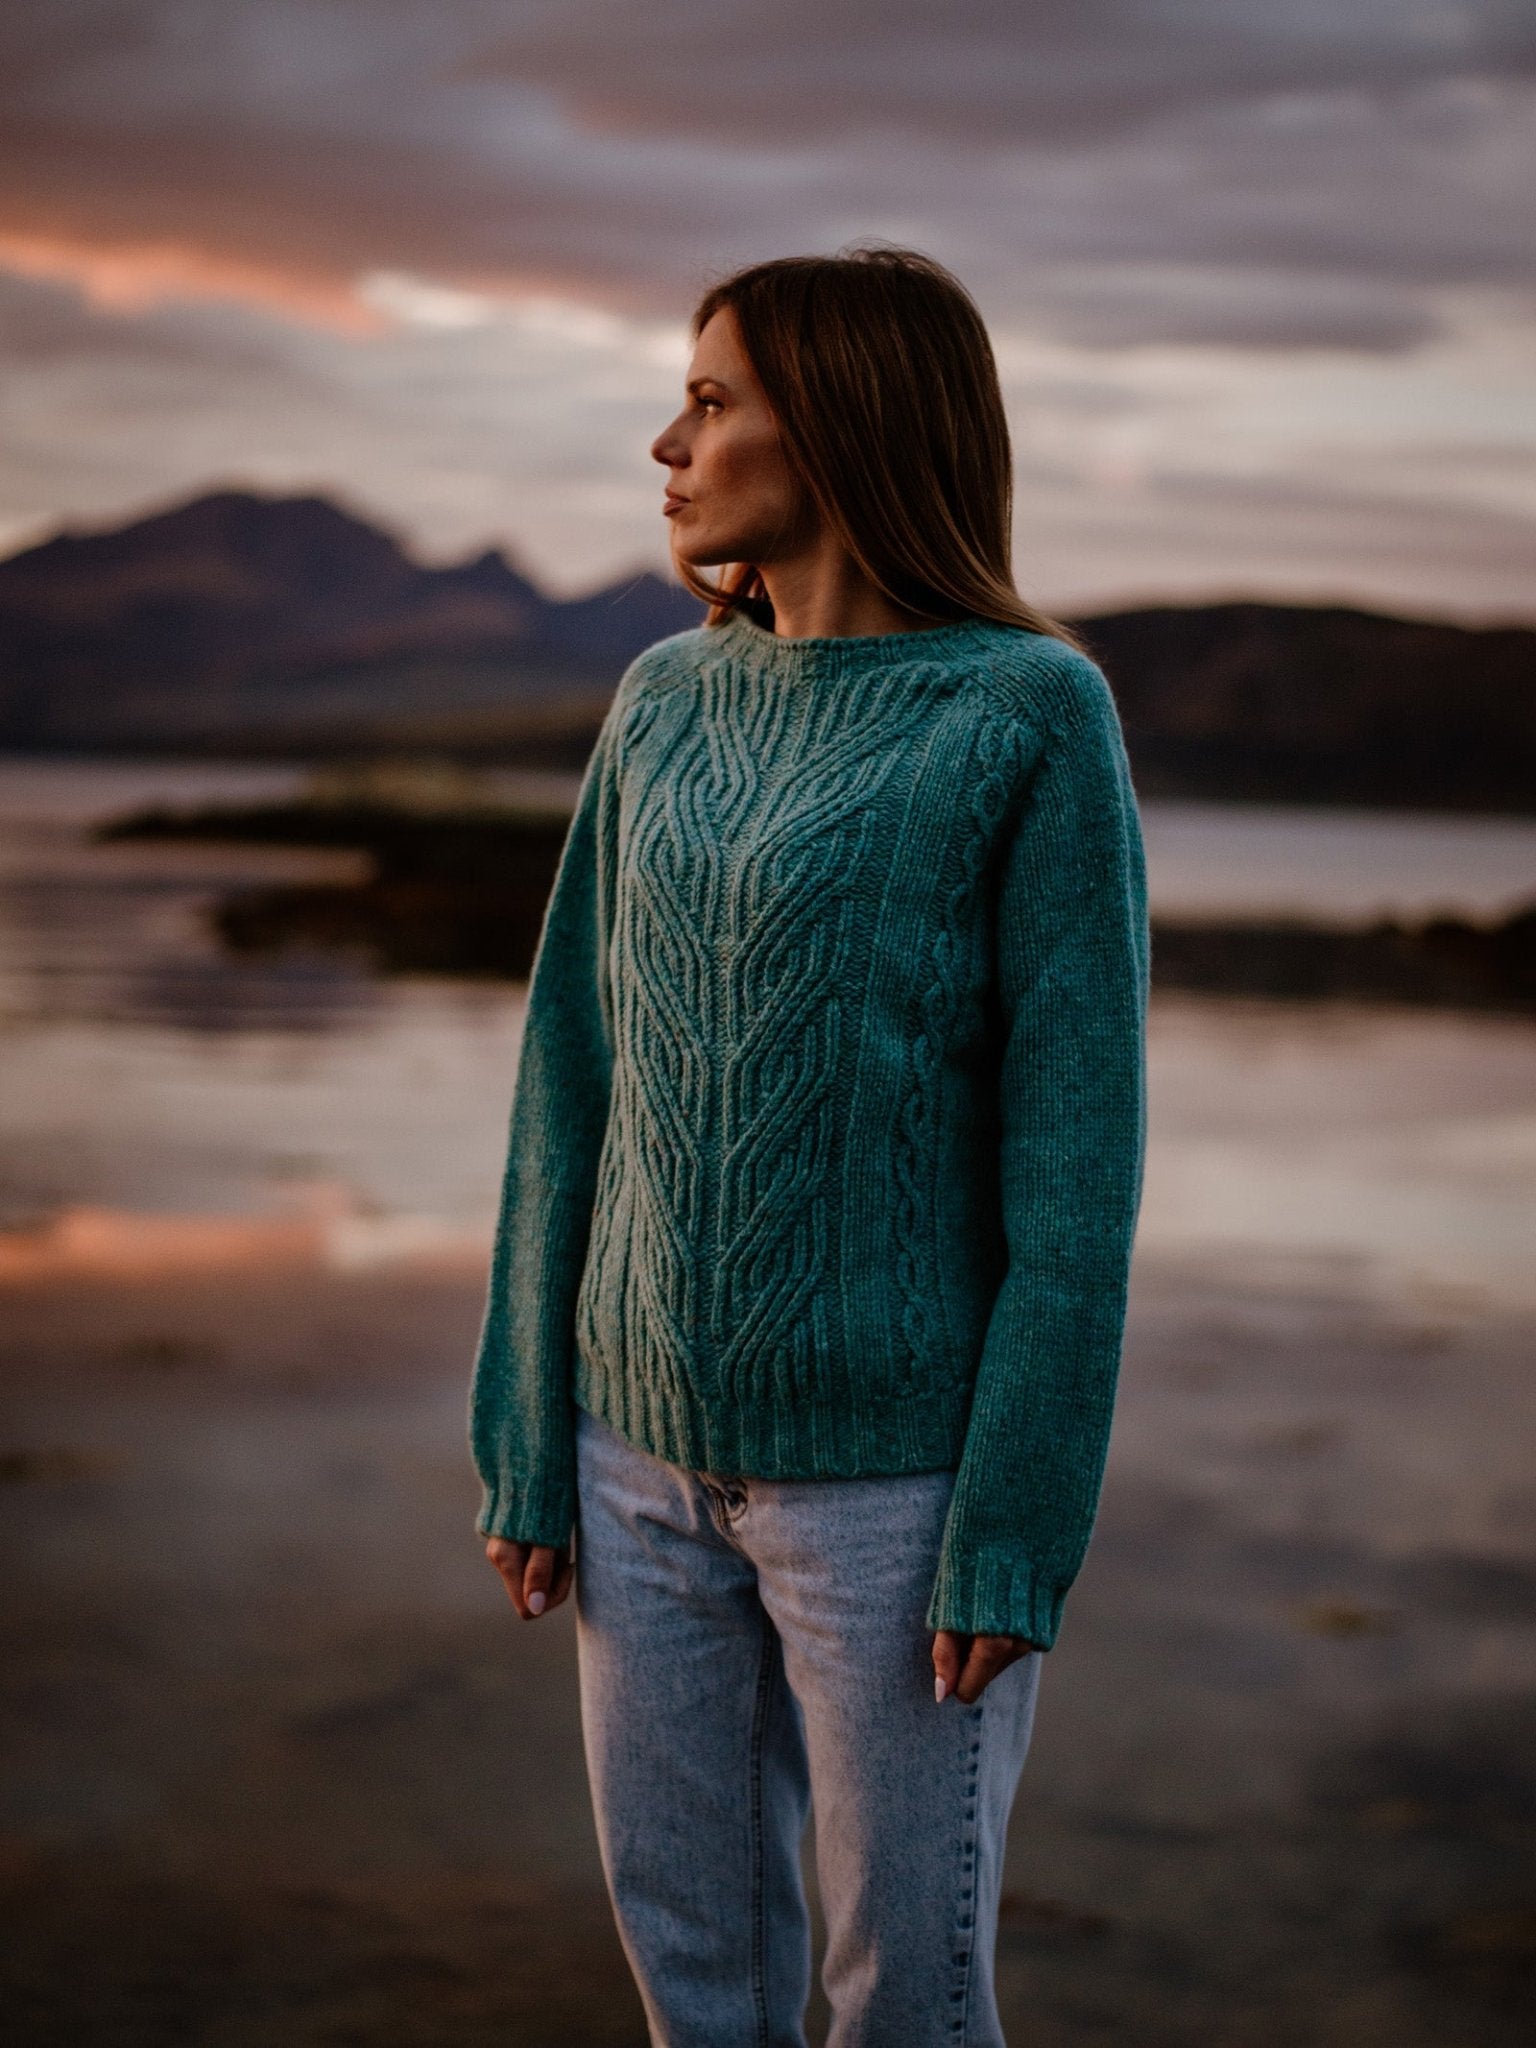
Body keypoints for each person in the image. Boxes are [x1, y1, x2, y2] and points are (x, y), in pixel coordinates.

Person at [468, 244, 1149, 2048]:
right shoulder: (659, 702)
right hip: (632, 1473)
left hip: (896, 1507)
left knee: (901, 2006)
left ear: (838, 422)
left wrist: (1018, 1521)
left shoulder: (1026, 714)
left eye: (710, 400)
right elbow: (569, 1080)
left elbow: (1077, 1174)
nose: (665, 445)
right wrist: (527, 1428)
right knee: (699, 1988)